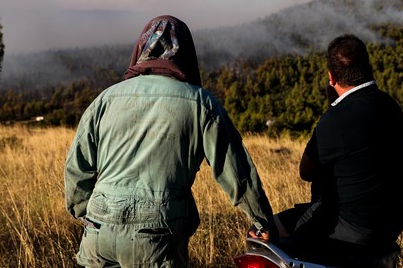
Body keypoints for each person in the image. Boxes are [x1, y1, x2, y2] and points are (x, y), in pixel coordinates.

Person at [64, 15, 274, 268]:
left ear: (142, 50)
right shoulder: (201, 103)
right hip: (157, 235)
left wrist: (87, 213)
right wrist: (262, 221)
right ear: (185, 53)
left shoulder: (105, 99)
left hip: (98, 228)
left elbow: (76, 168)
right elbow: (236, 173)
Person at [274, 34, 403, 267]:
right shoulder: (390, 105)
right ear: (368, 68)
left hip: (348, 230)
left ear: (332, 77)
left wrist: (330, 110)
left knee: (264, 231)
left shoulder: (336, 119)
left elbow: (306, 171)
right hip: (390, 223)